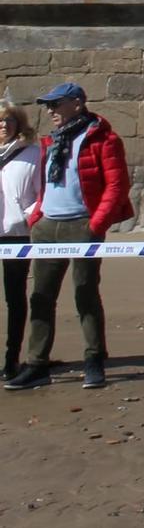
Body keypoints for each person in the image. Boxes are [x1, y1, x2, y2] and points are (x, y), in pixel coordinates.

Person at [6, 82, 132, 391]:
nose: (50, 111)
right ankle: (36, 363)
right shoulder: (51, 141)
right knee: (41, 296)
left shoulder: (104, 139)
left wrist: (95, 224)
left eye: (56, 104)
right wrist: (37, 219)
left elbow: (117, 185)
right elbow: (45, 184)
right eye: (48, 105)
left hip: (82, 225)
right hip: (47, 226)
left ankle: (94, 359)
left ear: (76, 103)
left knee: (85, 293)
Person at [0, 104, 44, 379]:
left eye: (8, 120)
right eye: (0, 121)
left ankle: (11, 358)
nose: (4, 125)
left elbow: (41, 194)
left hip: (16, 235)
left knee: (15, 298)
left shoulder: (32, 154)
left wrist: (28, 217)